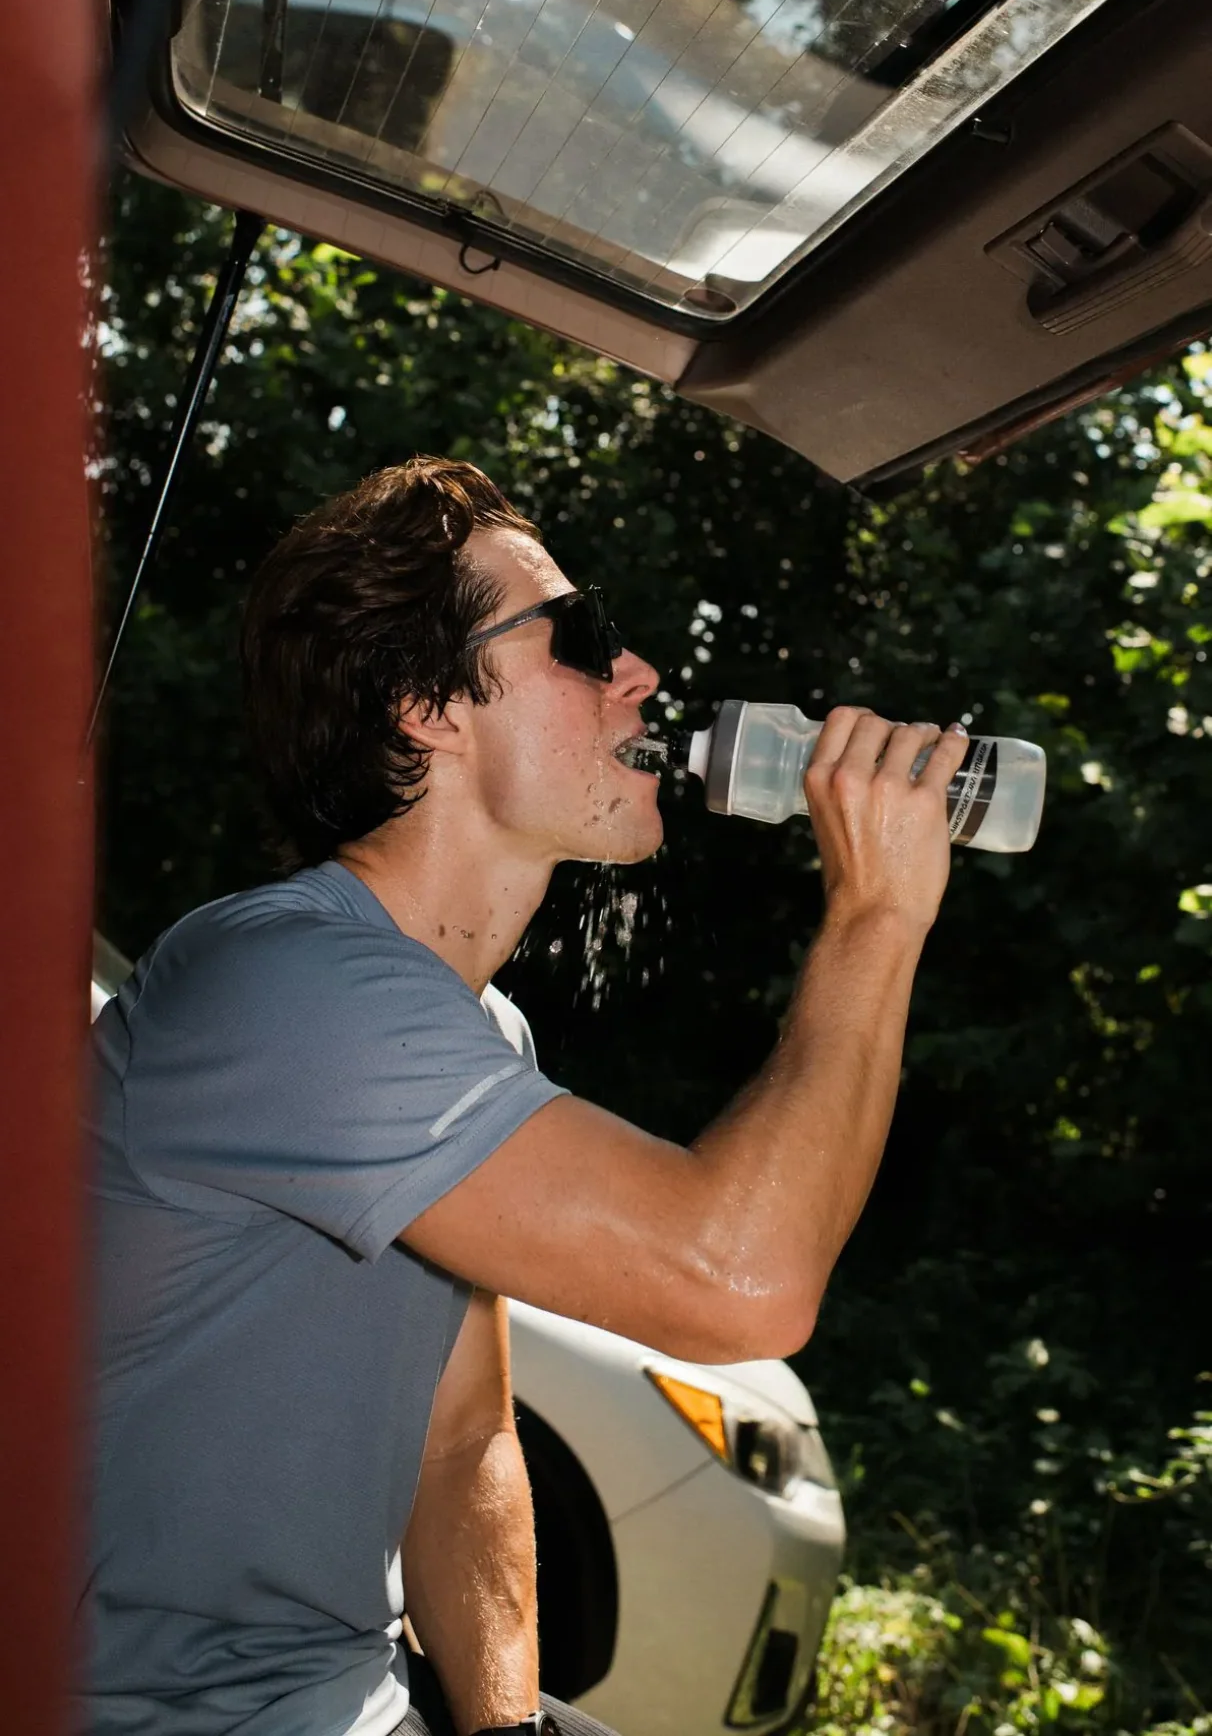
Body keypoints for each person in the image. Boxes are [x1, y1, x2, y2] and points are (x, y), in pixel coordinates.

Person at [80, 456, 972, 1736]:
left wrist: (503, 1731)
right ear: (425, 704)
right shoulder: (283, 985)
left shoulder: (472, 1024)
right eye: (582, 637)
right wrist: (879, 915)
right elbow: (743, 1278)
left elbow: (462, 1445)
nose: (641, 673)